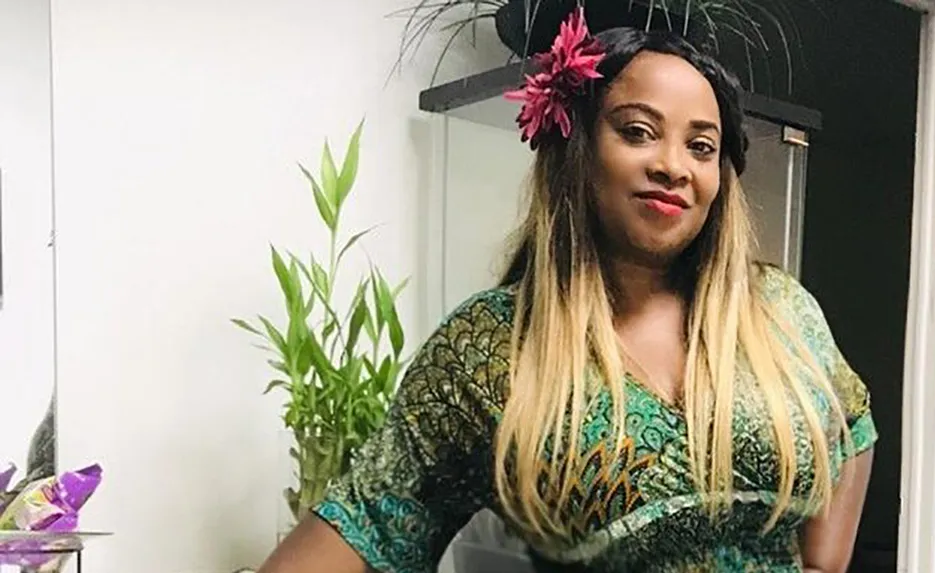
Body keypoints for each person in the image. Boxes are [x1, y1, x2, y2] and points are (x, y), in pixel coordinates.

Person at [258, 8, 876, 573]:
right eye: (638, 131)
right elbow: (364, 523)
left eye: (701, 146)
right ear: (577, 147)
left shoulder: (779, 310)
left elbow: (854, 422)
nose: (673, 165)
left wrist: (824, 562)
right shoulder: (492, 349)